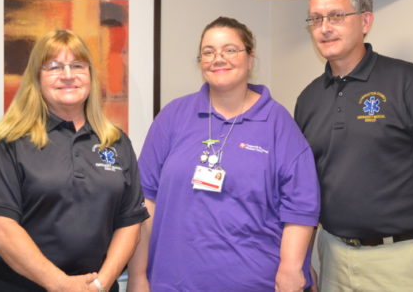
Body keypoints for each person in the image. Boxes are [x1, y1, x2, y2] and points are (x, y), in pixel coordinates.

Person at [294, 0, 413, 292]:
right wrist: (302, 263)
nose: (324, 27)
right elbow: (306, 189)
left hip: (401, 260)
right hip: (333, 256)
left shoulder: (409, 82)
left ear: (365, 21)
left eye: (336, 16)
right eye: (316, 19)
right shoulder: (308, 99)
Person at [127, 16, 320, 292]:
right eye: (208, 52)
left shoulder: (277, 122)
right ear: (200, 62)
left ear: (251, 58)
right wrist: (137, 276)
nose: (218, 58)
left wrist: (290, 270)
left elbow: (301, 206)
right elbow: (144, 201)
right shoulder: (173, 116)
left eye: (230, 49)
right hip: (173, 282)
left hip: (254, 282)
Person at [0, 29, 149, 292]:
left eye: (77, 65)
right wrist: (59, 284)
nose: (67, 75)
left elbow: (130, 222)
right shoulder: (9, 140)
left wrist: (101, 284)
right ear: (37, 79)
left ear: (90, 76)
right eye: (54, 67)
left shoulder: (115, 141)